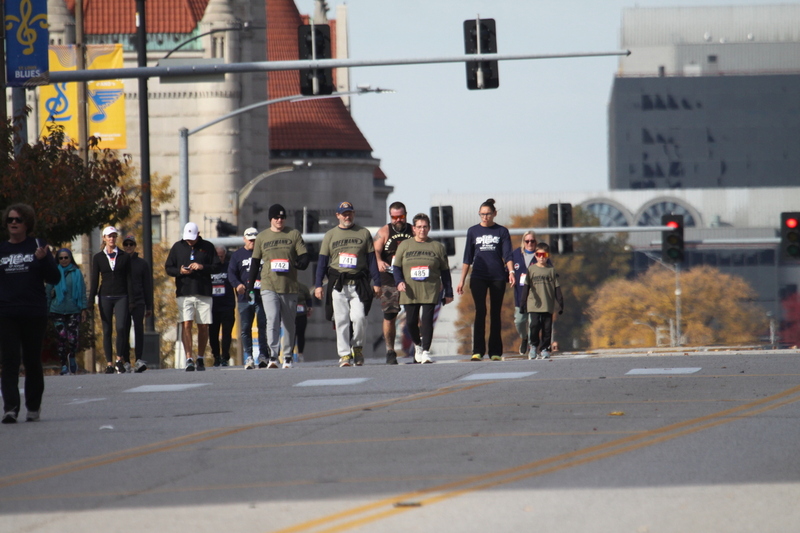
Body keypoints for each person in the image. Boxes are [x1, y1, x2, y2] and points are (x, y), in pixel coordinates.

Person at [1, 204, 60, 423]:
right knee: (9, 361)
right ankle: (10, 409)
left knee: (32, 360)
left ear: (27, 223)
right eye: (10, 220)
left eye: (18, 220)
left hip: (33, 312)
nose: (13, 223)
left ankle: (33, 407)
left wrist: (44, 260)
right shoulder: (2, 250)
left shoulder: (38, 246)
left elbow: (54, 278)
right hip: (7, 312)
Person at [314, 201, 381, 367]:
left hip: (358, 283)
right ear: (337, 215)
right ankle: (344, 355)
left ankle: (357, 347)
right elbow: (322, 262)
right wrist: (317, 285)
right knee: (341, 320)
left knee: (359, 318)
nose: (347, 216)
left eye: (349, 213)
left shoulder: (363, 233)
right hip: (338, 283)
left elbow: (372, 260)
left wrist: (377, 282)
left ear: (354, 214)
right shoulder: (330, 235)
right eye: (344, 214)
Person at [247, 204, 309, 368]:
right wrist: (250, 285)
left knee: (289, 324)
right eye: (276, 217)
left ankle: (287, 357)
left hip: (289, 286)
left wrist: (301, 262)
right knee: (272, 320)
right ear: (270, 219)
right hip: (269, 285)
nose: (279, 220)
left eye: (282, 217)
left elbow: (304, 255)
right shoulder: (262, 237)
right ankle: (273, 356)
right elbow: (254, 263)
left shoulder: (293, 234)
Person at [455, 198, 514, 361]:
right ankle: (478, 350)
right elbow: (467, 257)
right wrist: (461, 280)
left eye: (488, 214)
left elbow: (507, 254)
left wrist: (511, 272)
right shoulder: (473, 231)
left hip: (497, 276)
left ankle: (495, 351)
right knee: (480, 310)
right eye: (482, 214)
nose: (485, 217)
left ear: (495, 214)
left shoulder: (502, 231)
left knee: (495, 312)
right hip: (478, 276)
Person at [393, 213, 454, 364]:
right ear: (413, 229)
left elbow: (445, 271)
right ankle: (418, 345)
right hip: (410, 291)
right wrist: (399, 281)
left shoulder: (437, 247)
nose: (422, 230)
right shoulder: (405, 246)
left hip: (430, 289)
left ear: (429, 228)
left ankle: (426, 351)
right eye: (419, 227)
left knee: (427, 321)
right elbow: (396, 267)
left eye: (425, 227)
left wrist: (449, 291)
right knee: (411, 322)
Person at [164, 221, 221, 371]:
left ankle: (200, 358)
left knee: (203, 326)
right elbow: (168, 268)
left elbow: (217, 266)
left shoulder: (208, 247)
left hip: (204, 291)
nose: (189, 241)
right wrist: (180, 271)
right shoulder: (177, 247)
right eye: (187, 238)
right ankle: (189, 358)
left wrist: (202, 267)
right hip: (184, 292)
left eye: (192, 238)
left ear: (198, 235)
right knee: (186, 324)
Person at [373, 201, 414, 365]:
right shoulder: (384, 231)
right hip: (389, 277)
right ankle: (390, 350)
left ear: (406, 215)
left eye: (401, 216)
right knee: (390, 315)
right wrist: (378, 261)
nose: (398, 220)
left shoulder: (412, 230)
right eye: (394, 217)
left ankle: (418, 348)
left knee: (413, 314)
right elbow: (375, 250)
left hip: (410, 277)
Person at [89, 226, 134, 374]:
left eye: (114, 236)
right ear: (104, 238)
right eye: (109, 236)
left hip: (122, 296)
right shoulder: (98, 257)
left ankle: (119, 359)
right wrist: (91, 300)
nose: (112, 239)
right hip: (105, 296)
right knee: (107, 329)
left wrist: (131, 298)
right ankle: (109, 363)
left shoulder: (124, 256)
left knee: (121, 328)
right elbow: (95, 279)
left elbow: (129, 279)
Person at [228, 227, 269, 369]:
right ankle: (249, 357)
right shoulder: (237, 255)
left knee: (263, 326)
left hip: (262, 296)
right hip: (244, 297)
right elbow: (231, 273)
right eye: (250, 240)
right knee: (245, 328)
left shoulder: (264, 253)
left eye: (254, 240)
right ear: (244, 239)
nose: (252, 242)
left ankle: (263, 355)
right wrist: (237, 285)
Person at [47, 248, 88, 375]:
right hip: (57, 310)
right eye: (61, 258)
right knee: (61, 337)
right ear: (57, 259)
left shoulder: (76, 272)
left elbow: (82, 292)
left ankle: (72, 357)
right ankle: (63, 364)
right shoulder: (53, 273)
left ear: (70, 258)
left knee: (72, 338)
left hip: (73, 310)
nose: (64, 260)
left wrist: (83, 309)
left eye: (66, 257)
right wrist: (46, 309)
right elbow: (47, 292)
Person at [511, 231, 553, 356]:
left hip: (536, 297)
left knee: (533, 323)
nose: (530, 243)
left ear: (536, 242)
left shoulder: (541, 255)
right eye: (527, 241)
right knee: (519, 321)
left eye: (532, 241)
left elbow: (550, 270)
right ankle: (524, 338)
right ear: (523, 242)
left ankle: (532, 345)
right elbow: (508, 269)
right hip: (521, 296)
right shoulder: (516, 254)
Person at [521, 242, 564, 360]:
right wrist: (522, 303)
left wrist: (560, 303)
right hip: (533, 304)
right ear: (535, 255)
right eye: (539, 254)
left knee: (547, 328)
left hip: (547, 304)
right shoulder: (531, 269)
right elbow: (526, 286)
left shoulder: (551, 270)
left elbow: (557, 288)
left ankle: (545, 348)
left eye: (544, 254)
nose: (541, 257)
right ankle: (533, 346)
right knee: (534, 325)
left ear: (548, 255)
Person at [121, 235, 152, 373]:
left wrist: (149, 306)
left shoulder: (142, 264)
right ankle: (126, 361)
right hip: (123, 301)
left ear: (135, 246)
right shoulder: (119, 262)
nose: (128, 246)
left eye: (131, 244)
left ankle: (138, 359)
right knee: (123, 330)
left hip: (139, 301)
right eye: (126, 244)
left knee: (139, 329)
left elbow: (147, 286)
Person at [210, 245, 235, 367]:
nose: (219, 258)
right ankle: (216, 356)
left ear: (225, 256)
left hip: (227, 305)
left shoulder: (229, 267)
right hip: (212, 306)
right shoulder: (210, 267)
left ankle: (225, 356)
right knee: (213, 333)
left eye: (221, 256)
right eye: (217, 256)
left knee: (226, 333)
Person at [295, 281, 313, 362]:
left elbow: (308, 298)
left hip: (301, 313)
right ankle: (289, 354)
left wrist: (309, 307)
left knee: (301, 333)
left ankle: (300, 353)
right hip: (291, 314)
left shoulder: (303, 287)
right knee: (291, 334)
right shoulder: (287, 286)